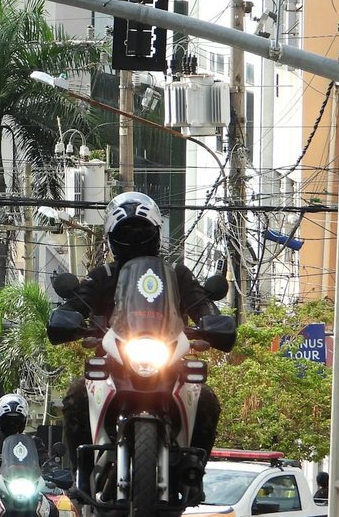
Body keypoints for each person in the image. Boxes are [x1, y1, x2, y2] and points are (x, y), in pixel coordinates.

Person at [50, 192, 226, 479]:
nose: (134, 238)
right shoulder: (103, 275)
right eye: (126, 232)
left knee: (205, 399)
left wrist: (213, 322)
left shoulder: (177, 275)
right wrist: (67, 317)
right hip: (113, 364)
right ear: (112, 237)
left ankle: (193, 470)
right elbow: (77, 304)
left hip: (169, 362)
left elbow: (202, 305)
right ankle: (82, 474)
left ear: (155, 232)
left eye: (141, 231)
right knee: (78, 394)